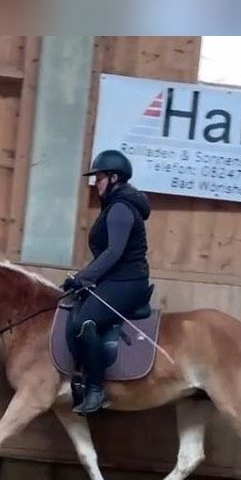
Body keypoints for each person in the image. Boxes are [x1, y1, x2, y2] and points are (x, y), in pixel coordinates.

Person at [62, 149, 152, 415]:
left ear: (114, 178)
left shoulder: (121, 209)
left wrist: (83, 278)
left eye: (99, 178)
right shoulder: (116, 205)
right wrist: (84, 279)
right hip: (116, 279)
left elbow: (113, 253)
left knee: (85, 322)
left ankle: (95, 389)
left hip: (128, 281)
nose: (96, 183)